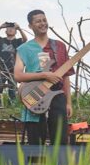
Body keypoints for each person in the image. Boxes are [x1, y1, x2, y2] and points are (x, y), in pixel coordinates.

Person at [14, 10, 74, 145]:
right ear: (30, 26)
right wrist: (44, 75)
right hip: (34, 95)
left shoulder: (59, 46)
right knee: (36, 142)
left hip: (58, 95)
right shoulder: (24, 48)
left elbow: (65, 76)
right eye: (38, 21)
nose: (42, 23)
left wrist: (68, 102)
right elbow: (18, 75)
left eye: (44, 20)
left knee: (60, 140)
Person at [0, 22, 27, 103]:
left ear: (15, 31)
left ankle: (12, 108)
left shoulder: (18, 41)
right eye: (8, 29)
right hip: (1, 69)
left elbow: (25, 39)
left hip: (13, 69)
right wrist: (0, 27)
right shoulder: (1, 40)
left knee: (12, 90)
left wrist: (19, 28)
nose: (10, 29)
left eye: (12, 29)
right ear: (5, 31)